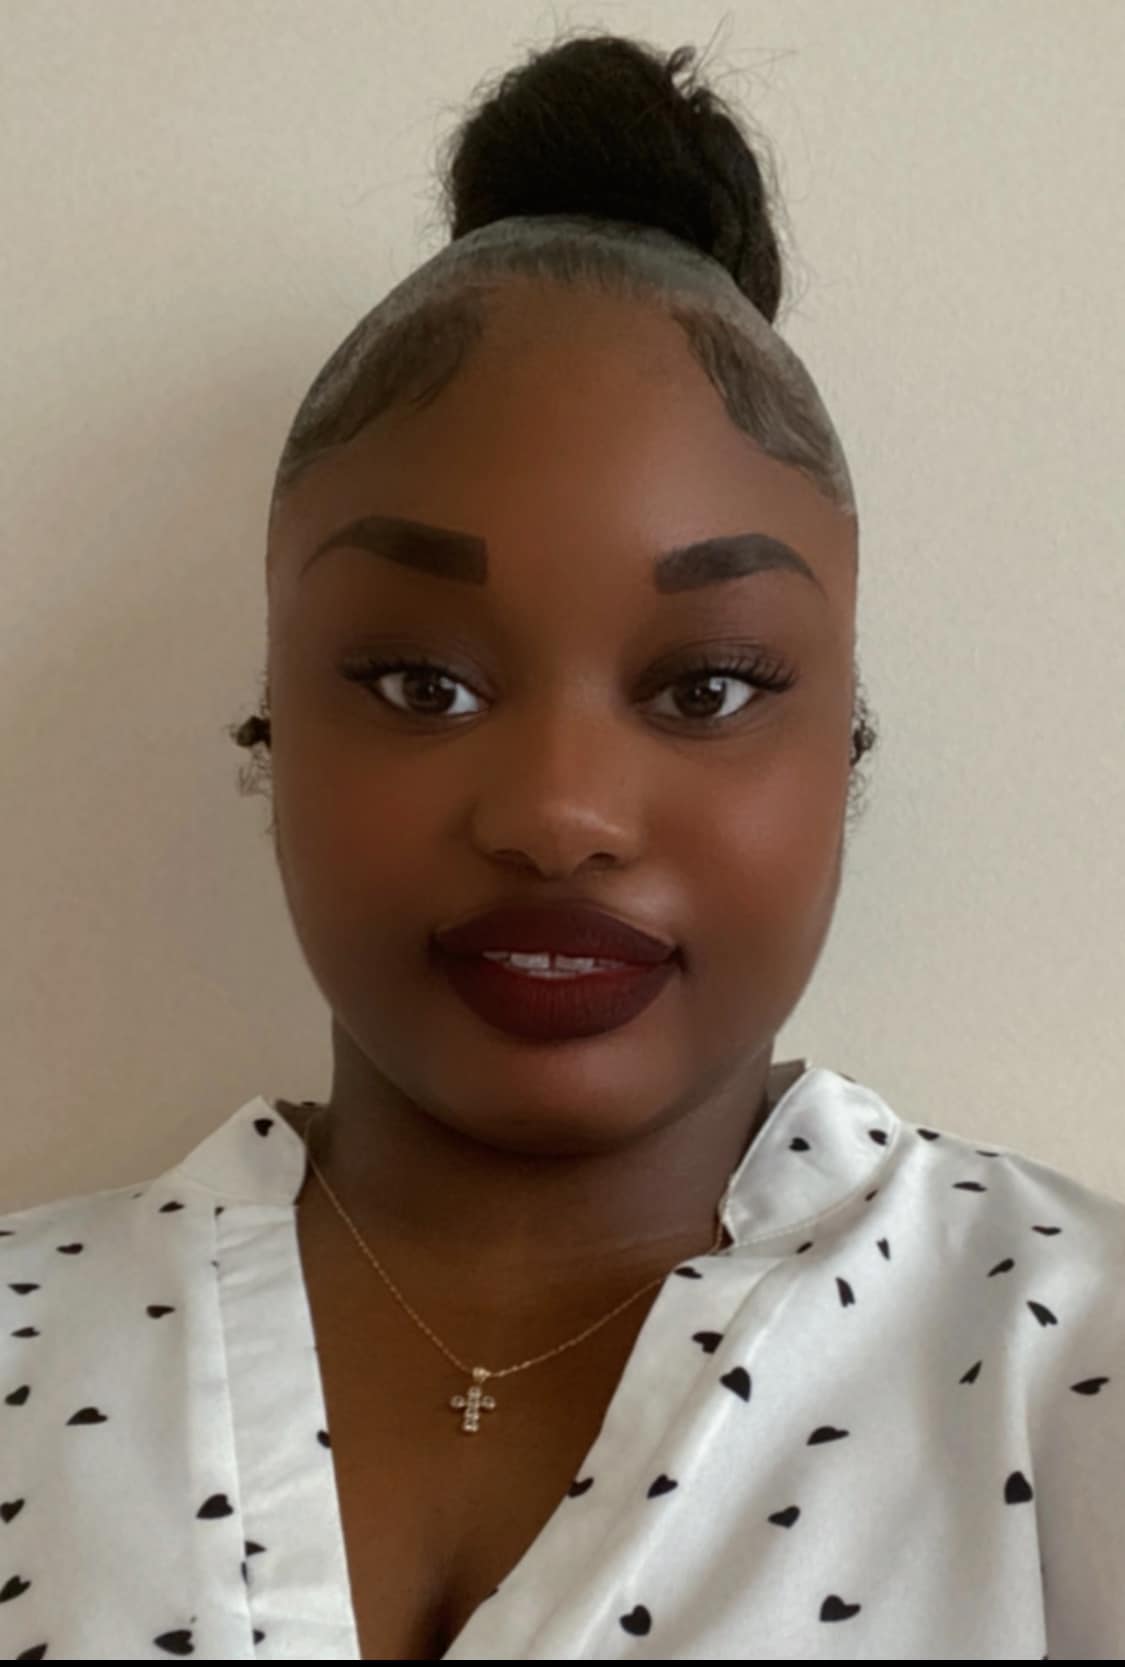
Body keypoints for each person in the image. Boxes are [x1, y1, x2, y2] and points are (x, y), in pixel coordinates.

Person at [3, 28, 1122, 1664]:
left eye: (710, 685)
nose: (557, 815)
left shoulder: (1068, 1360)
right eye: (419, 680)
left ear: (844, 747)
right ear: (271, 721)